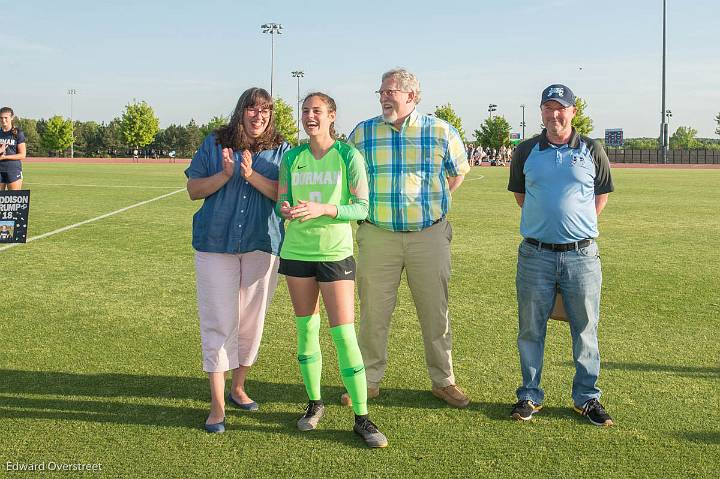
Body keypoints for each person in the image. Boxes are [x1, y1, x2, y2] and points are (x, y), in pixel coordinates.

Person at [345, 68, 471, 408]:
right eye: (382, 92)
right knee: (373, 314)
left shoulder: (441, 131)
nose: (384, 97)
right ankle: (368, 381)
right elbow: (349, 178)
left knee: (435, 312)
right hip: (378, 235)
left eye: (390, 92)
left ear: (411, 96)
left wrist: (435, 202)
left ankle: (443, 381)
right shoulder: (363, 132)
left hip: (428, 236)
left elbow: (458, 171)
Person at [277, 92, 388, 448]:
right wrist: (287, 209)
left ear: (331, 116)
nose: (310, 116)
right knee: (306, 330)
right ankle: (314, 404)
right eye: (306, 111)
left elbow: (361, 207)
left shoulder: (347, 155)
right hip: (296, 251)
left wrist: (324, 209)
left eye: (317, 111)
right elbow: (282, 200)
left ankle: (362, 417)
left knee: (344, 335)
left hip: (335, 254)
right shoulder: (292, 157)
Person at [507, 84, 615, 426]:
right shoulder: (525, 151)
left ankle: (586, 397)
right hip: (535, 255)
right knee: (530, 329)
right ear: (541, 111)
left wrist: (575, 226)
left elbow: (601, 196)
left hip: (582, 256)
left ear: (573, 112)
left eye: (561, 108)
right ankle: (529, 394)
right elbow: (521, 196)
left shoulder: (591, 148)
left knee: (585, 329)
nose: (555, 114)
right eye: (549, 107)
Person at [185, 87, 290, 433]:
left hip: (262, 243)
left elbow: (284, 196)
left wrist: (251, 176)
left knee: (251, 321)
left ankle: (238, 386)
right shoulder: (216, 143)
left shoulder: (282, 149)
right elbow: (193, 190)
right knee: (219, 320)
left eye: (265, 110)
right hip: (215, 243)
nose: (259, 116)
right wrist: (225, 176)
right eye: (252, 109)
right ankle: (217, 405)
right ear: (241, 111)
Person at [0, 107, 27, 190]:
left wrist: (5, 157)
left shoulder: (18, 133)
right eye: (1, 118)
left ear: (11, 118)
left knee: (14, 201)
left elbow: (22, 155)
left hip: (13, 170)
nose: (3, 120)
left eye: (6, 118)